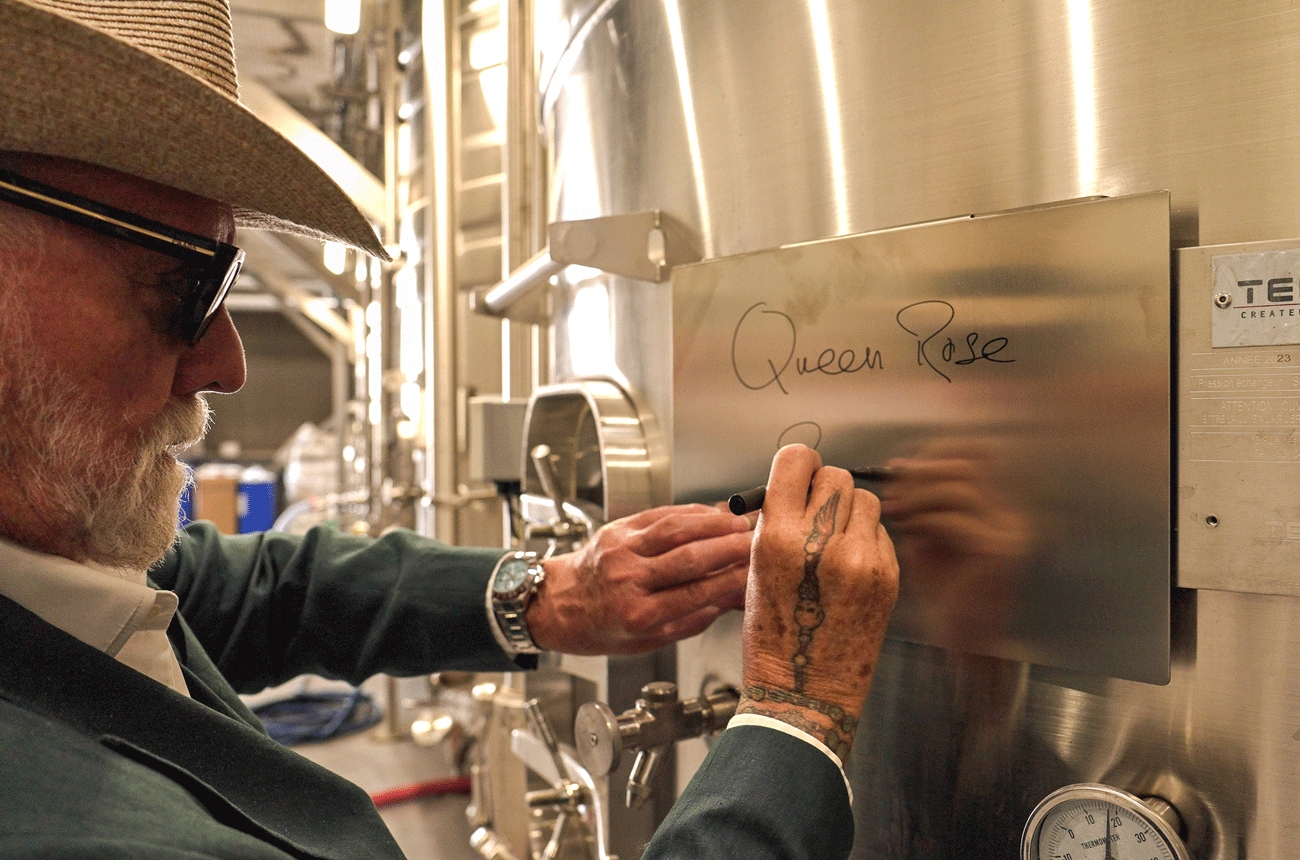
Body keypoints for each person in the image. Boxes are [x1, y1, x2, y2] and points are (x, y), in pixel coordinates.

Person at [0, 2, 900, 859]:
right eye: (183, 286)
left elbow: (253, 589)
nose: (228, 363)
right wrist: (793, 722)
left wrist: (552, 593)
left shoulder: (45, 580)